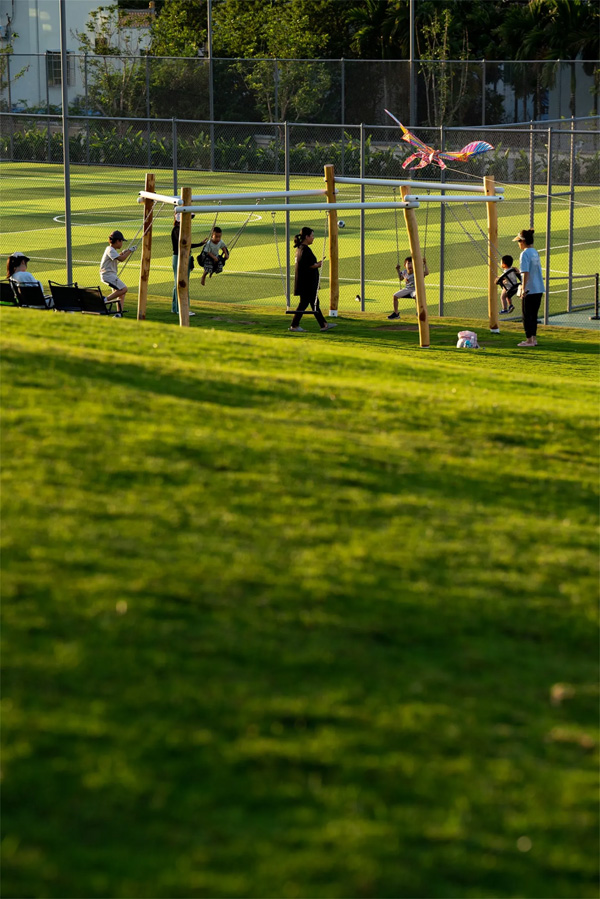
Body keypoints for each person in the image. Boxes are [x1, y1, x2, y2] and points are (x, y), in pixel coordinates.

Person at [289, 227, 336, 333]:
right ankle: (295, 325)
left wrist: (316, 264)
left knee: (312, 304)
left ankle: (324, 324)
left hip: (306, 282)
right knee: (308, 303)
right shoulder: (304, 249)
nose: (313, 238)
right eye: (312, 236)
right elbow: (308, 265)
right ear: (307, 237)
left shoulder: (300, 248)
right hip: (307, 283)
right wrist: (318, 265)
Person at [513, 229, 545, 347]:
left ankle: (529, 340)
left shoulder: (524, 254)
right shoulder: (534, 252)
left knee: (526, 316)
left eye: (519, 241)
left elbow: (526, 272)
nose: (518, 244)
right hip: (538, 288)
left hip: (529, 289)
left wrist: (523, 289)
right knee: (533, 315)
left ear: (523, 241)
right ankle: (533, 339)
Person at [171, 212, 205, 316]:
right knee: (182, 283)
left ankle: (175, 308)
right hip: (180, 258)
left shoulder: (179, 230)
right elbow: (183, 245)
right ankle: (181, 309)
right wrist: (199, 244)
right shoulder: (177, 230)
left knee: (177, 283)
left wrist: (200, 244)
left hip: (181, 257)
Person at [100, 230, 136, 307]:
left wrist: (124, 253)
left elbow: (118, 257)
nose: (122, 243)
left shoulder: (112, 250)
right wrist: (130, 251)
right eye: (121, 241)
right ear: (117, 241)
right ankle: (104, 300)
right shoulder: (110, 249)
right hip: (108, 275)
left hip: (109, 275)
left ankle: (119, 314)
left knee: (121, 294)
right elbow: (121, 259)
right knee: (124, 289)